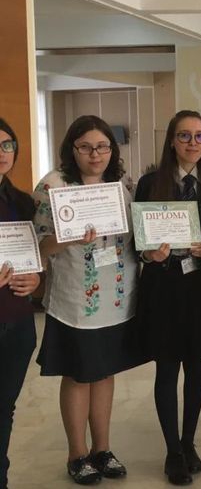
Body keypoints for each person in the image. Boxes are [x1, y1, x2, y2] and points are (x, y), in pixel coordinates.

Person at [32, 115, 141, 485]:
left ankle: (102, 449)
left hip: (116, 298)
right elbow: (38, 248)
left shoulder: (120, 184)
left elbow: (132, 236)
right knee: (79, 374)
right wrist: (68, 237)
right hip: (75, 300)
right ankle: (77, 454)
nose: (96, 155)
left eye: (103, 146)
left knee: (105, 372)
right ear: (72, 149)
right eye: (86, 147)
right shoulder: (53, 186)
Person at [135, 110, 201, 485]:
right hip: (162, 288)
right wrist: (149, 254)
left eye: (200, 136)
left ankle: (189, 443)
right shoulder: (149, 183)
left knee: (197, 368)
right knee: (167, 369)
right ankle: (172, 451)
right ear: (171, 140)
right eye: (184, 135)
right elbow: (136, 244)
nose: (192, 143)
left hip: (198, 289)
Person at [0, 118, 41, 489]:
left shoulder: (23, 203)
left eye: (7, 145)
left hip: (17, 323)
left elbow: (33, 260)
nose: (1, 153)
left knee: (4, 408)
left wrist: (36, 279)